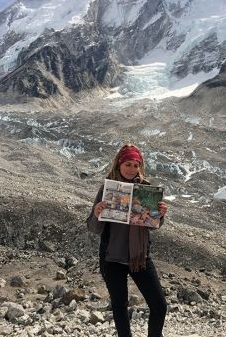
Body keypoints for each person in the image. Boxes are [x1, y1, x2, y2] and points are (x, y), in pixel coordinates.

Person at [86, 144, 168, 337]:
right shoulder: (107, 188)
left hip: (140, 257)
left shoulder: (146, 189)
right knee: (120, 307)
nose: (132, 169)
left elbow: (150, 225)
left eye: (135, 165)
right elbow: (93, 228)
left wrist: (160, 215)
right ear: (119, 164)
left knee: (159, 305)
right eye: (128, 164)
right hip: (112, 258)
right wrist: (97, 213)